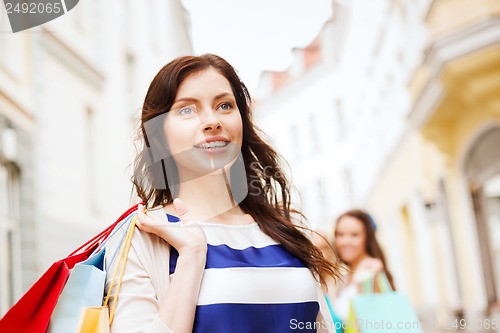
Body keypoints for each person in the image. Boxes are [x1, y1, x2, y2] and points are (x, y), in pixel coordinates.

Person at [104, 54, 341, 333]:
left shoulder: (286, 229)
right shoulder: (142, 237)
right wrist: (191, 256)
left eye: (225, 105)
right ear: (159, 134)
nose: (212, 120)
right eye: (187, 110)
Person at [331, 209, 395, 323]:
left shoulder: (371, 271)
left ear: (367, 238)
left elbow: (373, 322)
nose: (345, 241)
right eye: (340, 234)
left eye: (354, 235)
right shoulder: (346, 276)